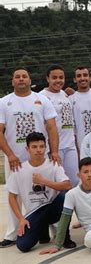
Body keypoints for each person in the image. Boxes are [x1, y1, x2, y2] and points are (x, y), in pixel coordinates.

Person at [0, 68, 60, 248]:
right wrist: (10, 154)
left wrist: (54, 151)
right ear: (12, 81)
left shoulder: (42, 100)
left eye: (24, 76)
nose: (21, 79)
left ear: (29, 80)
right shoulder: (4, 102)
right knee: (14, 194)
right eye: (17, 77)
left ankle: (56, 230)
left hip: (40, 157)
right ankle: (12, 232)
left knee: (48, 193)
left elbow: (51, 128)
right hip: (15, 159)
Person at [7, 132, 75, 252]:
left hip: (52, 207)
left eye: (41, 146)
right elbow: (12, 197)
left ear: (46, 147)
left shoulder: (53, 164)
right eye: (34, 147)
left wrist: (43, 181)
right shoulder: (19, 169)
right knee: (22, 245)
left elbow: (67, 185)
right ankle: (42, 229)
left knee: (67, 195)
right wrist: (21, 219)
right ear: (27, 149)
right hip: (34, 212)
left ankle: (65, 237)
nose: (38, 150)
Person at [40, 65, 79, 186]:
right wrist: (52, 150)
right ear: (48, 79)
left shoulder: (65, 94)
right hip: (55, 148)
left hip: (70, 146)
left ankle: (72, 205)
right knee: (57, 182)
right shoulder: (42, 96)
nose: (58, 80)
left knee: (74, 180)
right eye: (54, 77)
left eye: (61, 77)